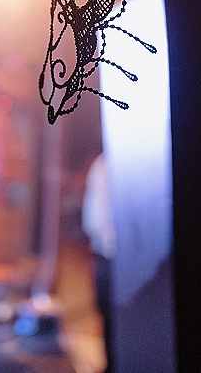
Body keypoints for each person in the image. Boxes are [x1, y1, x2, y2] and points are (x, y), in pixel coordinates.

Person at [82, 152, 116, 373]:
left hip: (120, 257)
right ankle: (111, 362)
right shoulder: (101, 164)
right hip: (102, 254)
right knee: (105, 312)